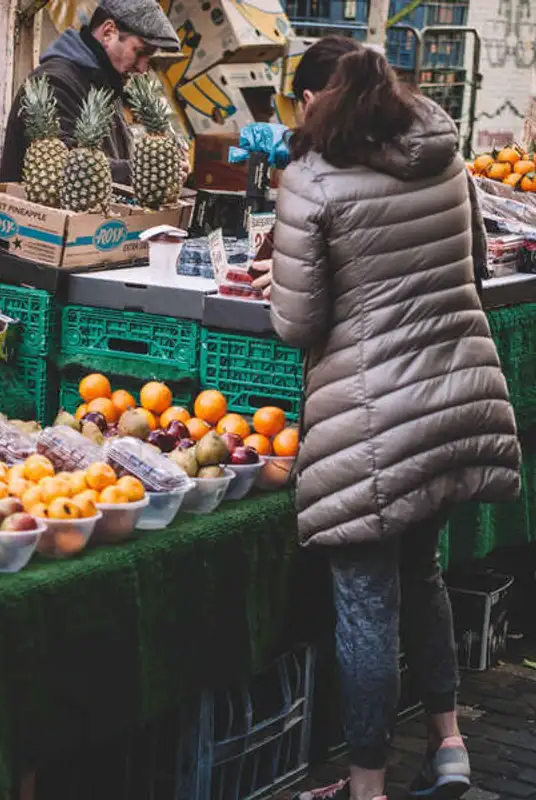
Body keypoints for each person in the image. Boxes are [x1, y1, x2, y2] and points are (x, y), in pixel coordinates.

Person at [252, 36, 522, 800]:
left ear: (316, 100)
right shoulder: (444, 157)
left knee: (366, 604)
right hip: (454, 401)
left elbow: (298, 323)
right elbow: (475, 267)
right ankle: (450, 743)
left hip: (373, 421)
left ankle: (367, 787)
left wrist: (287, 275)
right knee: (421, 571)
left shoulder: (311, 180)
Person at [0, 0, 179, 186]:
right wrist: (146, 171)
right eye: (139, 52)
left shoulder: (106, 85)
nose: (142, 68)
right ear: (108, 32)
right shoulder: (55, 82)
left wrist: (161, 169)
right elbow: (65, 169)